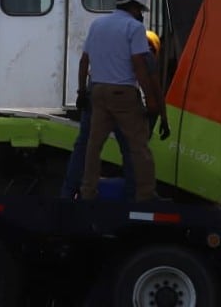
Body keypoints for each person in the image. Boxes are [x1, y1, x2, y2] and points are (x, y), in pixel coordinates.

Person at [77, 0, 164, 202]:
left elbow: (84, 61)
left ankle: (88, 191)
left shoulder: (97, 25)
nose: (141, 15)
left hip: (97, 91)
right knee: (138, 147)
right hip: (123, 93)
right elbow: (139, 66)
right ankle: (145, 193)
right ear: (134, 7)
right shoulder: (133, 28)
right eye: (140, 10)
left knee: (94, 145)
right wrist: (150, 99)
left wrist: (81, 91)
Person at [61, 29, 167, 199]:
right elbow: (152, 85)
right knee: (132, 147)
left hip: (95, 94)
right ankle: (136, 194)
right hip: (120, 99)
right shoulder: (144, 53)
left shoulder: (109, 43)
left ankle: (71, 193)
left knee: (87, 146)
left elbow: (84, 63)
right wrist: (161, 115)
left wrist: (81, 92)